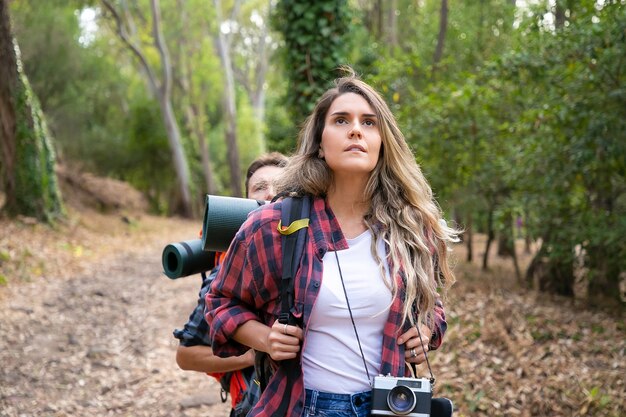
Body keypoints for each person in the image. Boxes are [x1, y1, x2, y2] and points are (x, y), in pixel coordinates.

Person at [205, 68, 458, 417]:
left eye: (369, 122)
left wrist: (427, 330)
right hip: (304, 406)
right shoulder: (276, 225)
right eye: (341, 120)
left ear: (382, 143)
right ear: (320, 144)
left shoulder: (410, 228)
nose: (356, 129)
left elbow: (432, 304)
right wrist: (266, 339)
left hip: (390, 407)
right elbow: (220, 302)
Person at [173, 152, 289, 416]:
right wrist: (253, 354)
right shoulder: (232, 267)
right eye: (259, 187)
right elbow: (186, 355)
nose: (270, 194)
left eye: (280, 187)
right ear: (245, 202)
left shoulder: (325, 249)